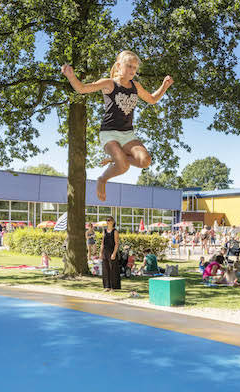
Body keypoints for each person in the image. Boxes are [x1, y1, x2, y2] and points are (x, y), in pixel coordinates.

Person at [61, 51, 174, 201]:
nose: (133, 70)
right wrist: (71, 76)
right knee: (123, 165)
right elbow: (82, 88)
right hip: (109, 133)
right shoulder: (109, 83)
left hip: (127, 134)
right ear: (119, 66)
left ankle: (116, 157)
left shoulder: (136, 85)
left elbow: (152, 99)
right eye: (129, 66)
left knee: (145, 160)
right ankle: (102, 179)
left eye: (135, 67)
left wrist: (164, 86)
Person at [99, 216, 120, 291]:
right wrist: (100, 253)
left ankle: (114, 287)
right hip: (105, 251)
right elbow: (102, 243)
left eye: (110, 220)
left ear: (113, 222)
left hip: (112, 251)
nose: (108, 222)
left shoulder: (115, 231)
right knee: (105, 269)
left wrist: (114, 253)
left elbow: (117, 244)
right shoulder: (104, 231)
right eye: (107, 220)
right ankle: (107, 286)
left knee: (113, 269)